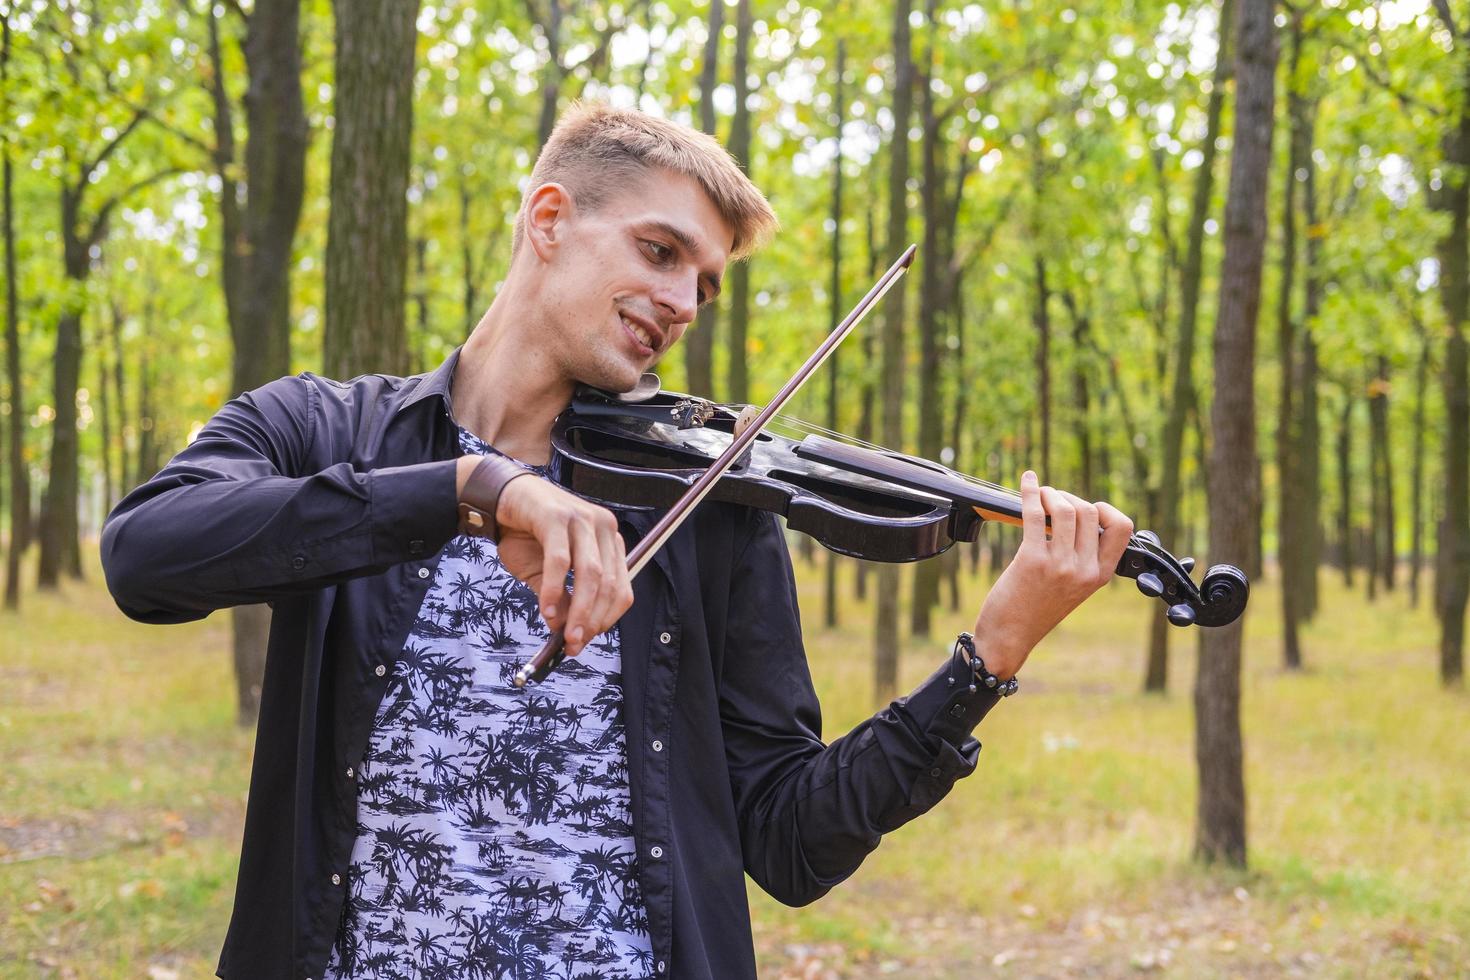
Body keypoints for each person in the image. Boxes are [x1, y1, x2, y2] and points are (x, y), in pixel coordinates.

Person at [101, 102, 1133, 980]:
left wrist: (986, 657)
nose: (685, 303)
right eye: (660, 251)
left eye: (705, 282)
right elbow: (145, 553)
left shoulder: (712, 501)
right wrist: (474, 488)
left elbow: (786, 835)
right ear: (550, 219)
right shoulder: (325, 429)